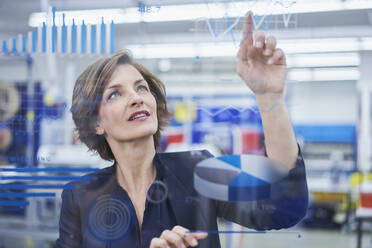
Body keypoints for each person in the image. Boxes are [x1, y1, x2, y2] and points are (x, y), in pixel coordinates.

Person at [56, 12, 308, 248]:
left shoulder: (198, 170)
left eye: (141, 88)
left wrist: (270, 99)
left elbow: (282, 208)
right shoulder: (79, 197)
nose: (136, 98)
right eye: (114, 94)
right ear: (96, 123)